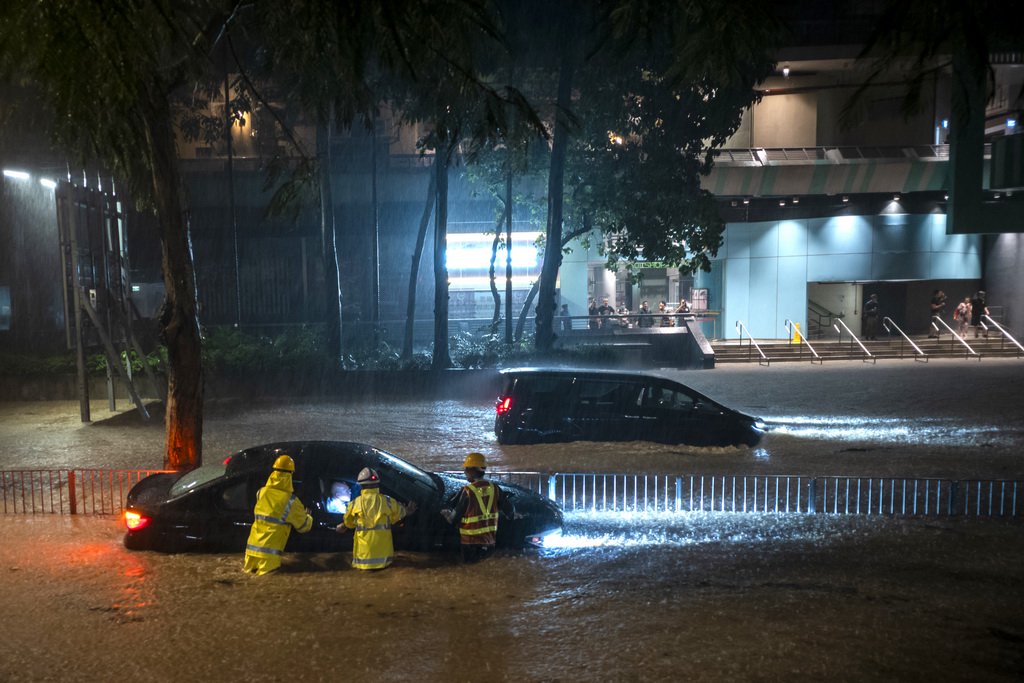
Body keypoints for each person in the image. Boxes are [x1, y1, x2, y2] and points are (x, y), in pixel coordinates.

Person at [243, 454, 314, 575]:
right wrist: (308, 516)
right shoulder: (291, 501)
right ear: (290, 475)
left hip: (250, 552)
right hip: (269, 556)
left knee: (248, 577)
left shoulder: (261, 492)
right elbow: (304, 527)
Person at [336, 467, 416, 570]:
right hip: (385, 561)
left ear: (361, 485)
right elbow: (398, 516)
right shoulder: (388, 502)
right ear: (377, 484)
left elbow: (349, 523)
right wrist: (407, 511)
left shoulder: (355, 504)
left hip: (363, 561)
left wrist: (343, 526)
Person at [441, 452, 504, 564]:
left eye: (466, 469)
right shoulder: (495, 488)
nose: (464, 472)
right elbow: (510, 510)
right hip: (489, 542)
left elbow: (454, 519)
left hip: (470, 544)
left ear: (472, 470)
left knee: (470, 573)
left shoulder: (468, 491)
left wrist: (446, 514)